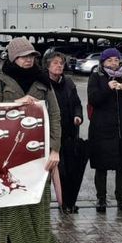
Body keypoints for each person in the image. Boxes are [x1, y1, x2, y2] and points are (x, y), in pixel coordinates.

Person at [0, 38, 61, 243]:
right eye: (24, 56)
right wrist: (16, 103)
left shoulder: (43, 82)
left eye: (32, 56)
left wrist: (55, 149)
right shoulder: (0, 80)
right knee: (8, 206)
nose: (29, 60)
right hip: (7, 155)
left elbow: (56, 117)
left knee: (38, 206)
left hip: (38, 156)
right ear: (13, 58)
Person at [86, 48, 122, 214]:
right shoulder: (96, 76)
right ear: (103, 62)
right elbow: (93, 99)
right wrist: (107, 88)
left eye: (116, 60)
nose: (114, 63)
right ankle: (101, 198)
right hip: (101, 128)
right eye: (110, 60)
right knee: (102, 166)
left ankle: (121, 198)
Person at [44, 50, 86, 214]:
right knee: (49, 172)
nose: (59, 66)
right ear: (47, 65)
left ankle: (67, 203)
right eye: (55, 63)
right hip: (50, 134)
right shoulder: (43, 83)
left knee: (68, 171)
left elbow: (77, 103)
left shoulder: (68, 82)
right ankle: (46, 205)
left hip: (69, 133)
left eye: (61, 63)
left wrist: (77, 115)